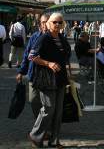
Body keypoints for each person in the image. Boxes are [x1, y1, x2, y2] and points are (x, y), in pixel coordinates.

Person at [27, 13, 71, 148]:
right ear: (49, 23)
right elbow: (32, 56)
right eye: (54, 22)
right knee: (48, 108)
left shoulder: (62, 38)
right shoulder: (44, 38)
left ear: (62, 24)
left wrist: (69, 73)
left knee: (58, 111)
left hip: (61, 78)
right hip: (46, 78)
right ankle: (35, 135)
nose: (57, 24)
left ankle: (54, 140)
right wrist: (48, 63)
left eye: (59, 22)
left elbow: (65, 57)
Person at [16, 14, 49, 119]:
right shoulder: (34, 37)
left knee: (47, 103)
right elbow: (26, 55)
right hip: (34, 74)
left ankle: (45, 124)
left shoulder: (54, 38)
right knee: (33, 100)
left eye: (47, 22)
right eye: (43, 22)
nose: (45, 25)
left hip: (49, 75)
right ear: (40, 24)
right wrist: (21, 72)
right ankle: (39, 120)